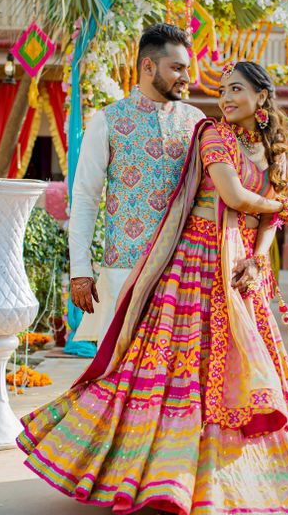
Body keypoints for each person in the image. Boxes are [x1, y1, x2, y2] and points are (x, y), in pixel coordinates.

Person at [19, 61, 288, 515]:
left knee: (240, 376)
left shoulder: (275, 151)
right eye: (223, 89)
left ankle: (236, 489)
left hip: (240, 271)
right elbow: (234, 197)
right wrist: (282, 204)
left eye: (237, 90)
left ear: (261, 98)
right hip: (194, 262)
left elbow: (267, 222)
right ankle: (162, 480)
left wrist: (257, 260)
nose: (226, 98)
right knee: (175, 374)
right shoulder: (213, 135)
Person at [68, 23, 205, 348]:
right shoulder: (108, 121)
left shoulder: (196, 121)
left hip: (181, 271)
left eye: (186, 68)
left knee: (175, 378)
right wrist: (80, 270)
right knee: (118, 371)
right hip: (123, 271)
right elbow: (86, 197)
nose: (186, 77)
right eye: (177, 68)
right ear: (148, 66)